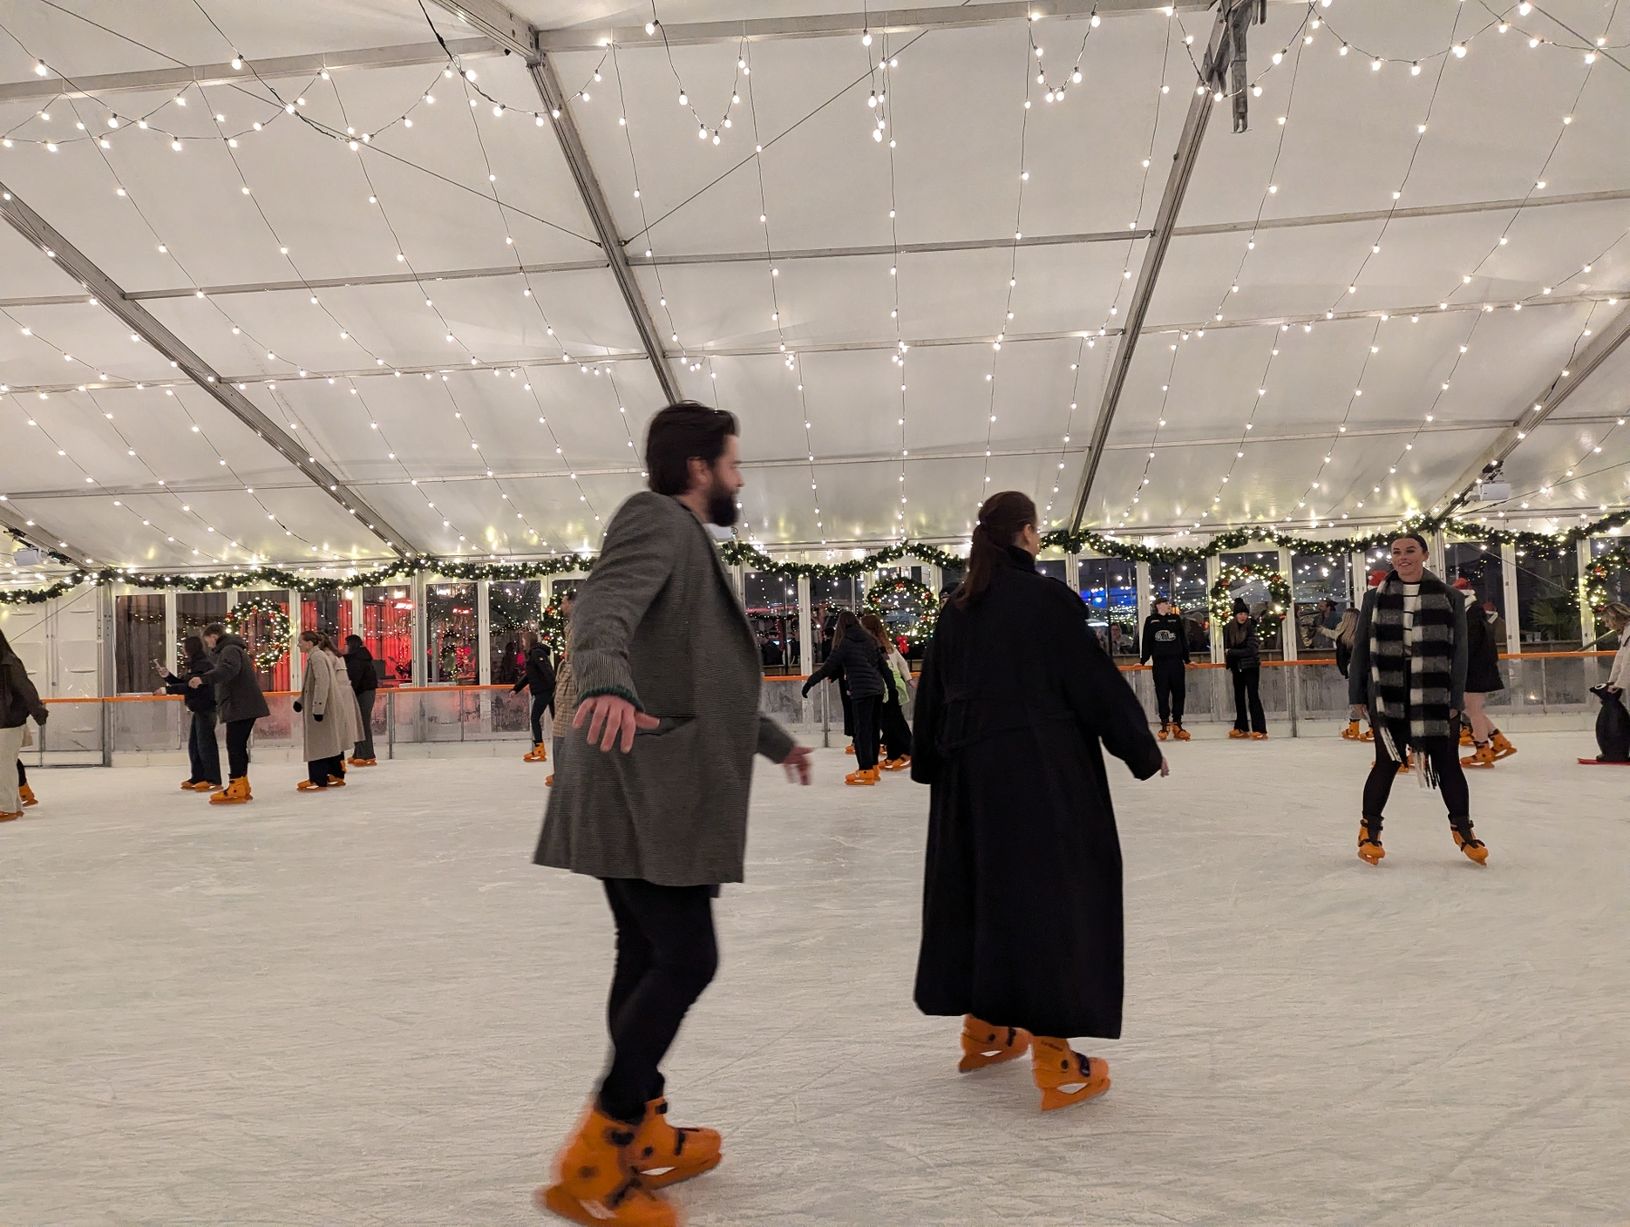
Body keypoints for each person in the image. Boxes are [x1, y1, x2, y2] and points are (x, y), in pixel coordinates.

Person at [532, 401, 813, 1227]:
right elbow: (601, 610)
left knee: (646, 947)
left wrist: (771, 741)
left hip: (643, 781)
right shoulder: (654, 519)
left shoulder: (687, 541)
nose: (739, 476)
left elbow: (700, 676)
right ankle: (600, 1147)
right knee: (688, 958)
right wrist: (607, 679)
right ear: (698, 468)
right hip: (644, 785)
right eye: (732, 461)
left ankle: (643, 1123)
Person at [911, 490, 1166, 1114]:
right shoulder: (1046, 601)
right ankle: (1056, 1055)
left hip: (970, 781)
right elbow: (1091, 683)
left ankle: (989, 1025)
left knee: (985, 893)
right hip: (1038, 777)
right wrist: (1140, 748)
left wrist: (930, 766)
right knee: (1056, 895)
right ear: (1026, 534)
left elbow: (932, 694)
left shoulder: (959, 607)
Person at [1349, 533, 1487, 866]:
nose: (1403, 557)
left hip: (1434, 692)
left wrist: (1455, 698)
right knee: (1387, 762)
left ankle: (1463, 830)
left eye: (1410, 551)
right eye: (1396, 552)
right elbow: (1360, 650)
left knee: (1447, 764)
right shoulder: (1375, 597)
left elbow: (1460, 654)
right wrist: (1357, 695)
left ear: (1424, 554)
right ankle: (1370, 830)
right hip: (1388, 691)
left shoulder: (1451, 597)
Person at [188, 622, 270, 805]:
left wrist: (203, 678)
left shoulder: (230, 650)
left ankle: (236, 785)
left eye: (207, 640)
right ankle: (241, 783)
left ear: (214, 636)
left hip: (241, 705)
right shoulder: (232, 649)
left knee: (234, 746)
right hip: (242, 705)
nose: (207, 644)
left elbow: (227, 671)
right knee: (237, 746)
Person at [802, 610, 886, 785]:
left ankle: (865, 770)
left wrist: (810, 682)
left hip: (862, 691)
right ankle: (873, 767)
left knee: (862, 731)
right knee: (872, 729)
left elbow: (828, 667)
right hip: (878, 689)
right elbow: (882, 665)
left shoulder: (844, 643)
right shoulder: (870, 640)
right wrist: (890, 687)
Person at [1455, 580, 1513, 769]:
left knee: (1473, 711)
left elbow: (1468, 646)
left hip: (1475, 670)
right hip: (1478, 669)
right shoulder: (1474, 615)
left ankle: (1483, 748)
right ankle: (1498, 740)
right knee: (1469, 709)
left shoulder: (1472, 616)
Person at [155, 635, 222, 792]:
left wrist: (166, 690)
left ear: (189, 648)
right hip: (199, 709)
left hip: (206, 708)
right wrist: (167, 676)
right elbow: (184, 683)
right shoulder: (195, 665)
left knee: (205, 744)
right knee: (195, 744)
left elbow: (190, 687)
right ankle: (198, 776)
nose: (183, 650)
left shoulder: (203, 665)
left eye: (184, 647)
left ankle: (212, 779)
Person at [1, 627, 49, 821]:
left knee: (3, 767)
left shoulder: (8, 662)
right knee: (6, 765)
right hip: (5, 721)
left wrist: (38, 711)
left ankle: (5, 807)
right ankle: (14, 805)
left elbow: (26, 688)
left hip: (8, 722)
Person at [294, 632, 347, 791]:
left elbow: (321, 683)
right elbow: (311, 685)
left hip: (322, 708)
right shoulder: (317, 656)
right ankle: (335, 773)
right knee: (328, 740)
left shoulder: (317, 657)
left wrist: (318, 708)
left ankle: (318, 778)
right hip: (323, 706)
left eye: (300, 642)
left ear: (309, 643)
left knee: (318, 743)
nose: (298, 645)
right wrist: (300, 701)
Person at [861, 611, 913, 770]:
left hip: (888, 688)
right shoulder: (884, 644)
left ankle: (908, 751)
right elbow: (902, 663)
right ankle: (894, 753)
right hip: (888, 687)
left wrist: (909, 679)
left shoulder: (878, 645)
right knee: (888, 722)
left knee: (894, 722)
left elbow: (900, 663)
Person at [1140, 595, 1191, 741]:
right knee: (1162, 693)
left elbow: (1182, 640)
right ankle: (1164, 723)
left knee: (1179, 692)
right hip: (1160, 663)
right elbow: (1147, 642)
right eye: (1164, 603)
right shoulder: (1151, 621)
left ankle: (1177, 722)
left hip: (1176, 662)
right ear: (1158, 606)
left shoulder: (1175, 619)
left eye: (1167, 603)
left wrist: (1186, 659)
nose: (1167, 605)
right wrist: (1143, 660)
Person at [1223, 598, 1268, 740]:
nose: (1242, 616)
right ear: (1235, 615)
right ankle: (1241, 727)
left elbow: (1251, 649)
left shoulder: (1251, 627)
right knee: (1239, 697)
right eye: (1240, 613)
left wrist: (1232, 652)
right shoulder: (1229, 628)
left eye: (1244, 613)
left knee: (1253, 696)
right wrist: (1230, 659)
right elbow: (1227, 647)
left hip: (1251, 666)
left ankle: (1260, 728)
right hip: (1237, 667)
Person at [545, 591, 576, 788]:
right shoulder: (573, 627)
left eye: (564, 602)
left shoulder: (580, 626)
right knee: (562, 729)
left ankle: (564, 775)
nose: (562, 606)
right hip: (568, 682)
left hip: (572, 684)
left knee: (563, 730)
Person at [1592, 602, 1630, 762]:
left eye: (1607, 621)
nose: (1607, 625)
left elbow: (1629, 662)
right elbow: (1620, 659)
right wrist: (1612, 681)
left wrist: (1619, 684)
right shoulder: (1625, 635)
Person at [514, 638, 557, 764]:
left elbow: (547, 671)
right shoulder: (535, 654)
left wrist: (552, 688)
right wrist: (516, 689)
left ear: (529, 641)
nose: (522, 642)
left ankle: (540, 748)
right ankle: (542, 748)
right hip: (546, 691)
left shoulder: (536, 653)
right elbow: (529, 675)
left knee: (535, 718)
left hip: (545, 691)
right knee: (556, 718)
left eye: (523, 640)